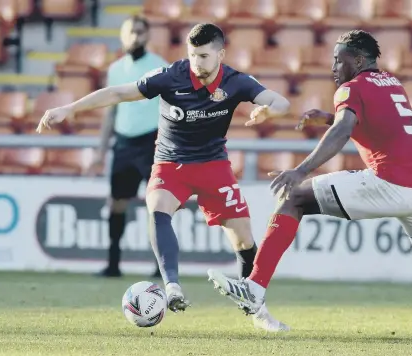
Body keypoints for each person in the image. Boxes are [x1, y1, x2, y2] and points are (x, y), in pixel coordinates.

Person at [206, 30, 412, 336]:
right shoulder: (391, 83)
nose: (333, 67)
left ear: (358, 61)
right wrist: (330, 118)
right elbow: (375, 122)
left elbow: (344, 130)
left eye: (338, 59)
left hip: (391, 184)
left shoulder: (351, 88)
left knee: (296, 198)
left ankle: (254, 288)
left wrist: (301, 170)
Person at [37, 23, 291, 332]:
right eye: (192, 55)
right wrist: (70, 108)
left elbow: (281, 101)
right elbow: (119, 92)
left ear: (221, 55)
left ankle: (257, 309)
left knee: (243, 239)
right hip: (171, 164)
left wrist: (268, 112)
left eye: (204, 56)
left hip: (213, 165)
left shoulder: (236, 82)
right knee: (157, 207)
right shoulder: (172, 76)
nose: (197, 62)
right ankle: (171, 285)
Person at [87, 15, 167, 278]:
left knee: (158, 204)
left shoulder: (160, 68)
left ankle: (161, 266)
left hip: (151, 142)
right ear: (122, 36)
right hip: (122, 143)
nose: (136, 37)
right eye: (131, 32)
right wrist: (100, 151)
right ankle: (113, 263)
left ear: (148, 35)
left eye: (140, 32)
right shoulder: (116, 69)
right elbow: (110, 113)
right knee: (117, 204)